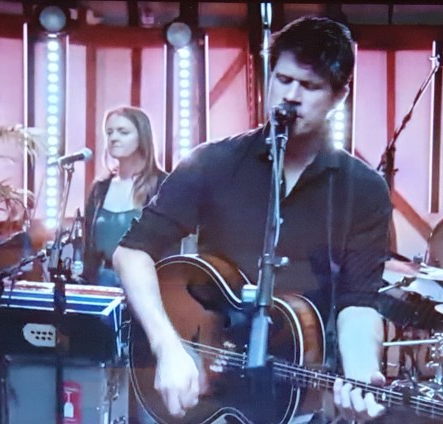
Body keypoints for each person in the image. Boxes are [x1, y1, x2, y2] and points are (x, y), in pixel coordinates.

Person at [113, 17, 392, 423]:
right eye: (283, 79)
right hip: (211, 394)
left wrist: (361, 373)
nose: (291, 96)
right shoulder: (213, 162)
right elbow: (131, 252)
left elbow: (359, 303)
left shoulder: (364, 188)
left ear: (339, 96)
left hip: (297, 395)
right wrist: (167, 347)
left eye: (310, 86)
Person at [83, 106, 167, 287]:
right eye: (109, 133)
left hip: (146, 283)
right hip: (101, 282)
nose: (113, 138)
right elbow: (88, 247)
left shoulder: (163, 185)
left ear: (142, 137)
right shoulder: (100, 188)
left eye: (123, 132)